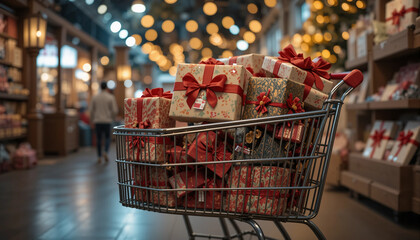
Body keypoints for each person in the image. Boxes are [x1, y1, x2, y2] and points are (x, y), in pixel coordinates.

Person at [89, 82, 118, 163]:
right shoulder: (110, 97)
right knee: (107, 137)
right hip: (107, 121)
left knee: (98, 138)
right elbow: (115, 110)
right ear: (106, 88)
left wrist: (91, 120)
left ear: (100, 87)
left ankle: (99, 156)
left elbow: (91, 110)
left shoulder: (95, 97)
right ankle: (105, 151)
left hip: (97, 121)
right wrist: (112, 117)